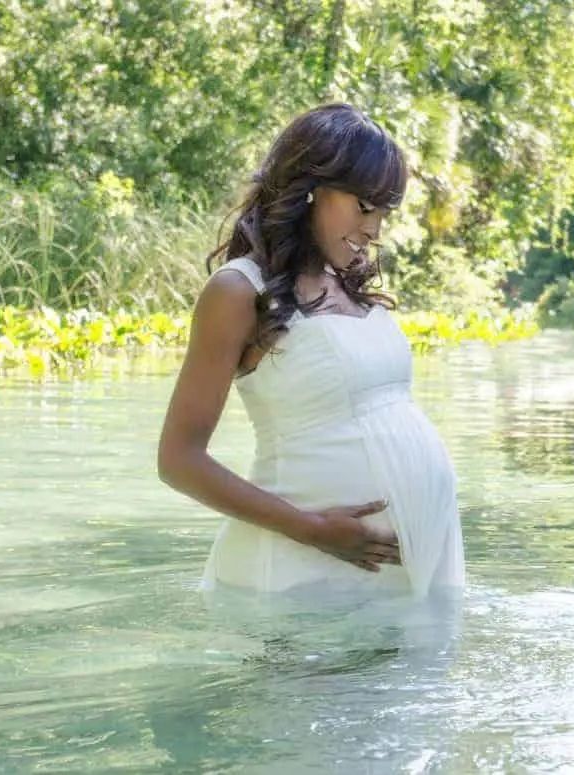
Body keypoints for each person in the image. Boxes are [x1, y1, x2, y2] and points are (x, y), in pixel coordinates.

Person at [157, 103, 464, 601]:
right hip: (301, 569)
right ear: (309, 188)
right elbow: (178, 459)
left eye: (385, 213)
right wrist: (312, 529)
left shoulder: (348, 285)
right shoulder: (238, 291)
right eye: (365, 207)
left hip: (396, 576)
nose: (375, 230)